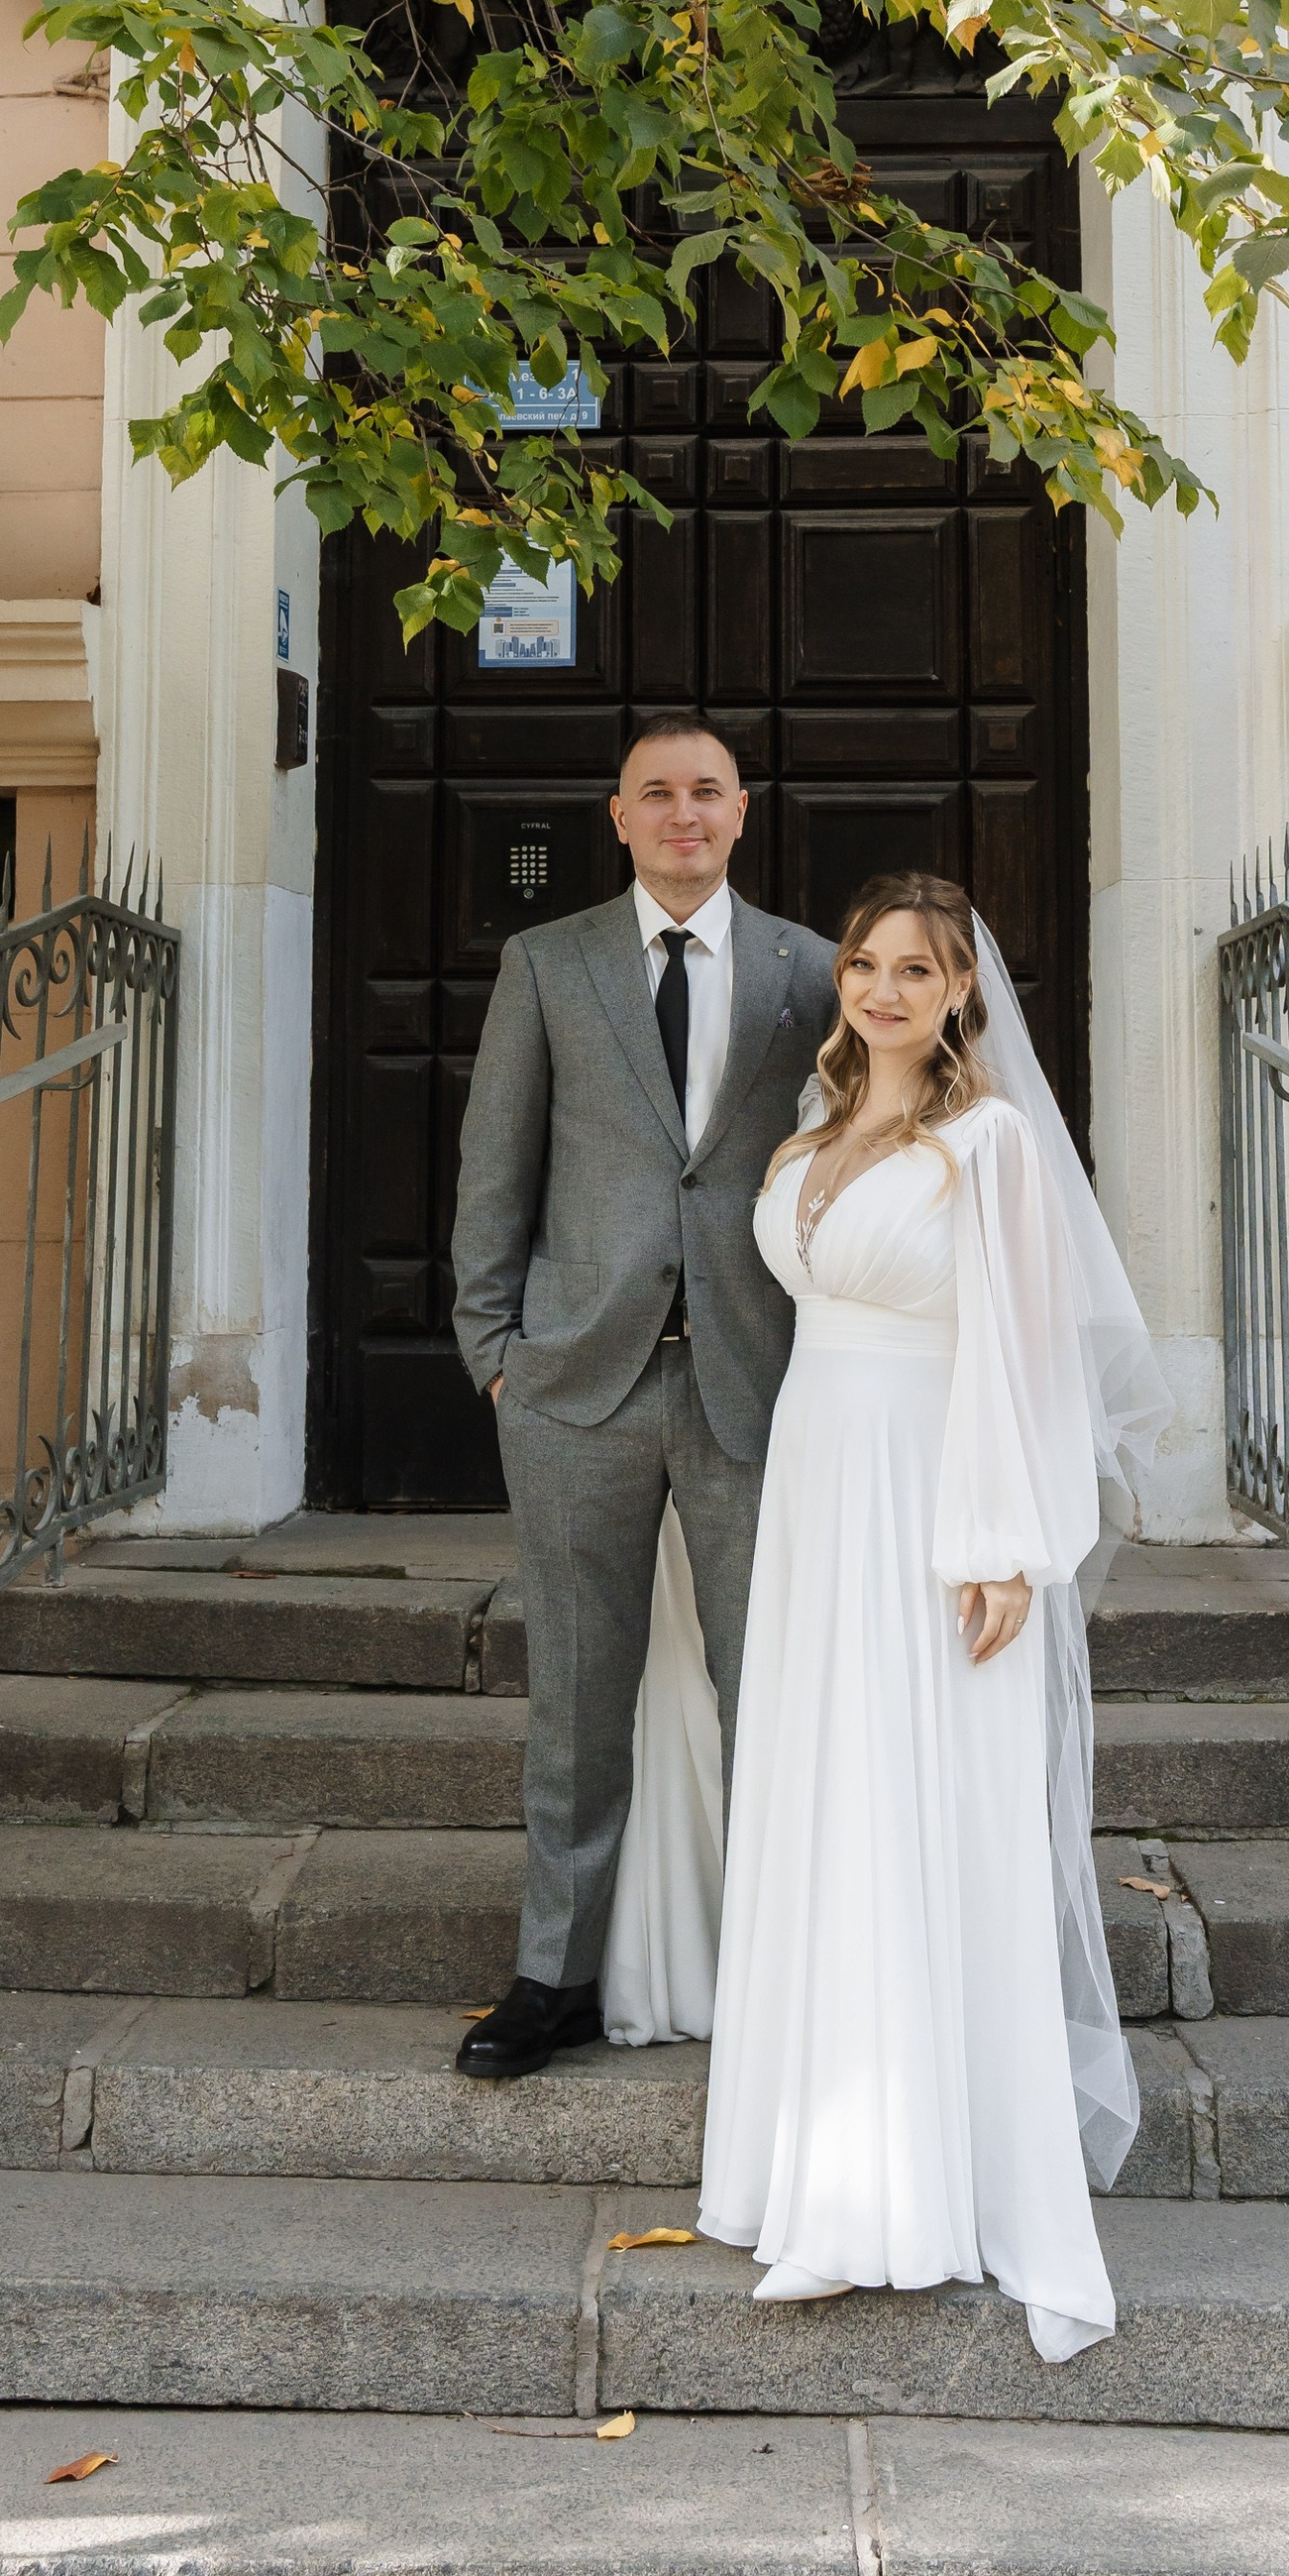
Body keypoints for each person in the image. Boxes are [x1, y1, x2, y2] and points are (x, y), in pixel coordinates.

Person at [697, 872, 1172, 2364]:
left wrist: (1000, 1547)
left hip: (930, 1501)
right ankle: (807, 2163)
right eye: (866, 963)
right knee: (825, 1806)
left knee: (910, 1812)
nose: (885, 989)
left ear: (962, 990)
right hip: (817, 1490)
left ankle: (898, 2193)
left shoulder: (992, 1144)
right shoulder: (813, 1133)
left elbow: (1026, 1356)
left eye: (918, 969)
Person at [448, 716, 839, 2081]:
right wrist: (493, 1347)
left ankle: (785, 1980)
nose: (684, 813)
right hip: (575, 1384)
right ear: (618, 817)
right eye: (657, 794)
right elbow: (495, 1162)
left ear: (742, 812)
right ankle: (553, 1978)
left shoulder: (815, 970)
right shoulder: (547, 964)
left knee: (769, 1691)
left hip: (756, 1381)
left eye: (706, 792)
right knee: (575, 1696)